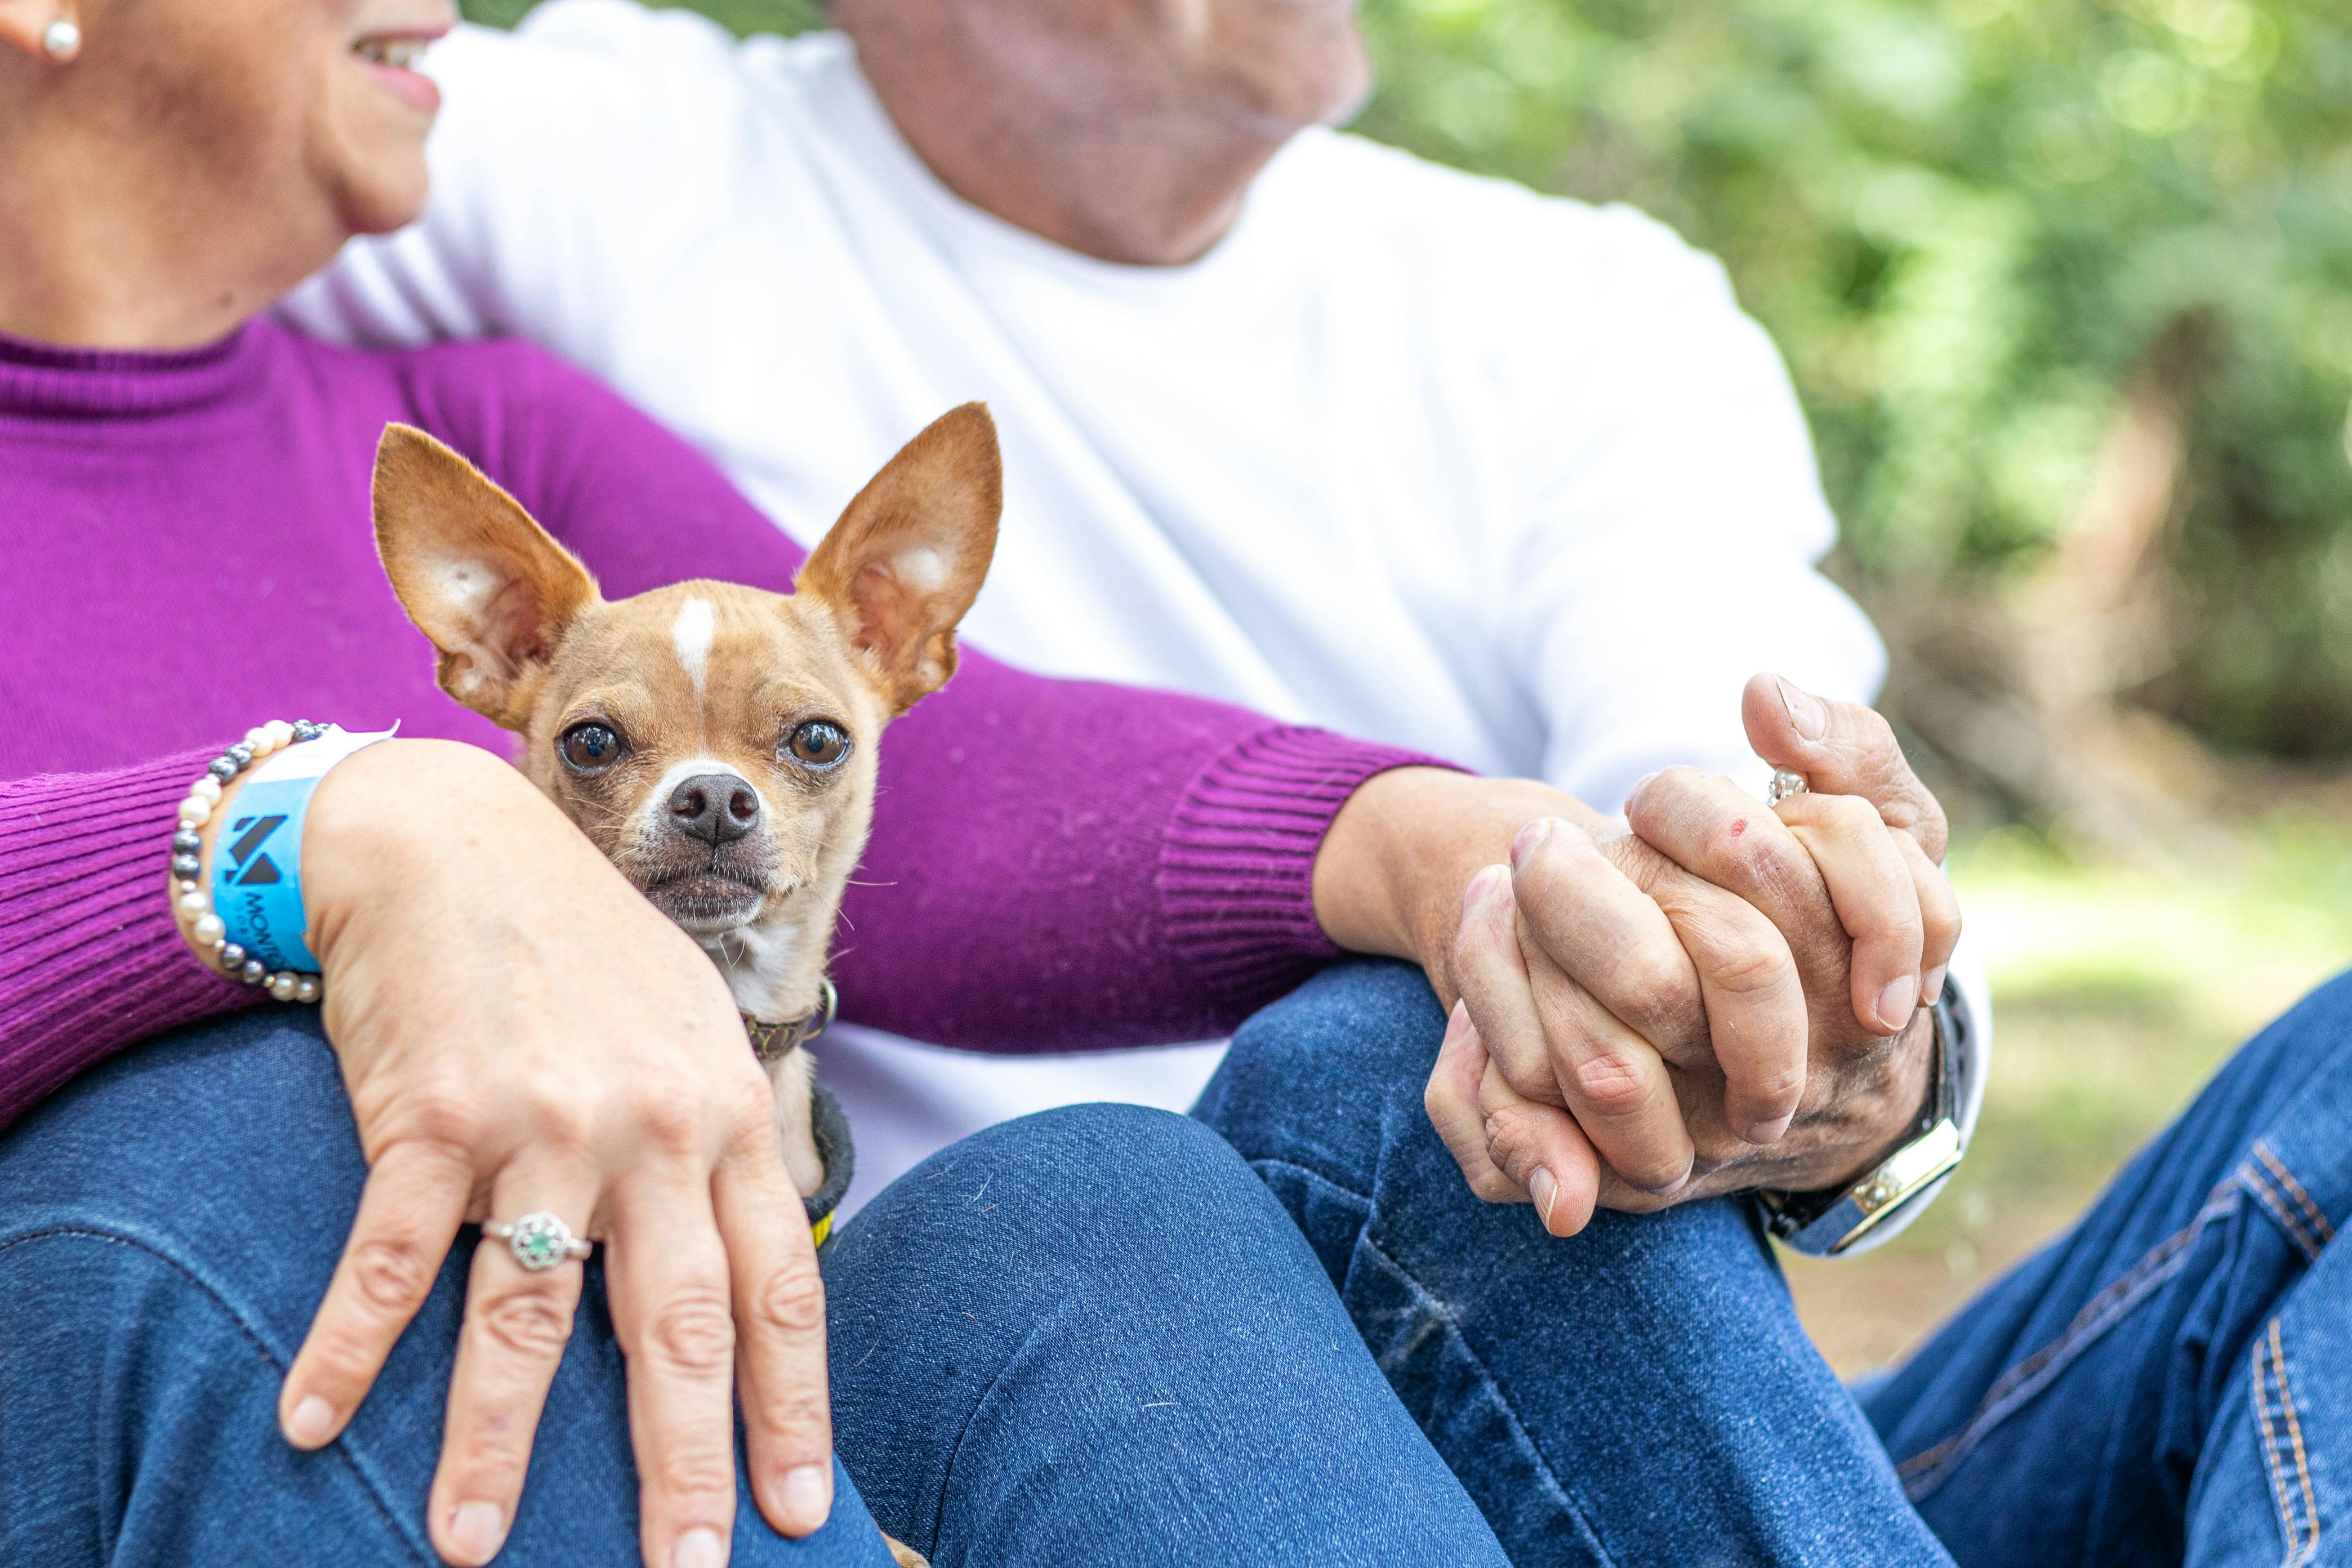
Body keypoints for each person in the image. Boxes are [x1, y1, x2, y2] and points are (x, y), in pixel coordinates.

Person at [280, 2, 2350, 1564]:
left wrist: (1800, 978)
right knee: (1353, 1071)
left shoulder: (1590, 305)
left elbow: (1713, 779)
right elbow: (125, 196)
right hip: (1091, 1395)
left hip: (1668, 1442)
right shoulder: (596, 146)